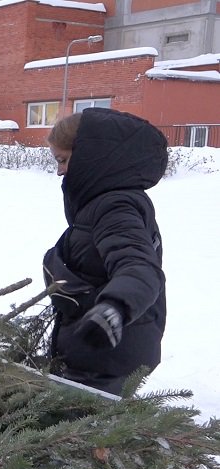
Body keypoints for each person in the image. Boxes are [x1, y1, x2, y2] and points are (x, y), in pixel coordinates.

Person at [42, 108, 167, 396]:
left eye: (63, 160)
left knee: (86, 435)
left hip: (108, 353)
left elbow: (139, 266)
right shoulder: (102, 202)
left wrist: (115, 308)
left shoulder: (116, 207)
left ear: (89, 157)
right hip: (95, 351)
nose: (60, 171)